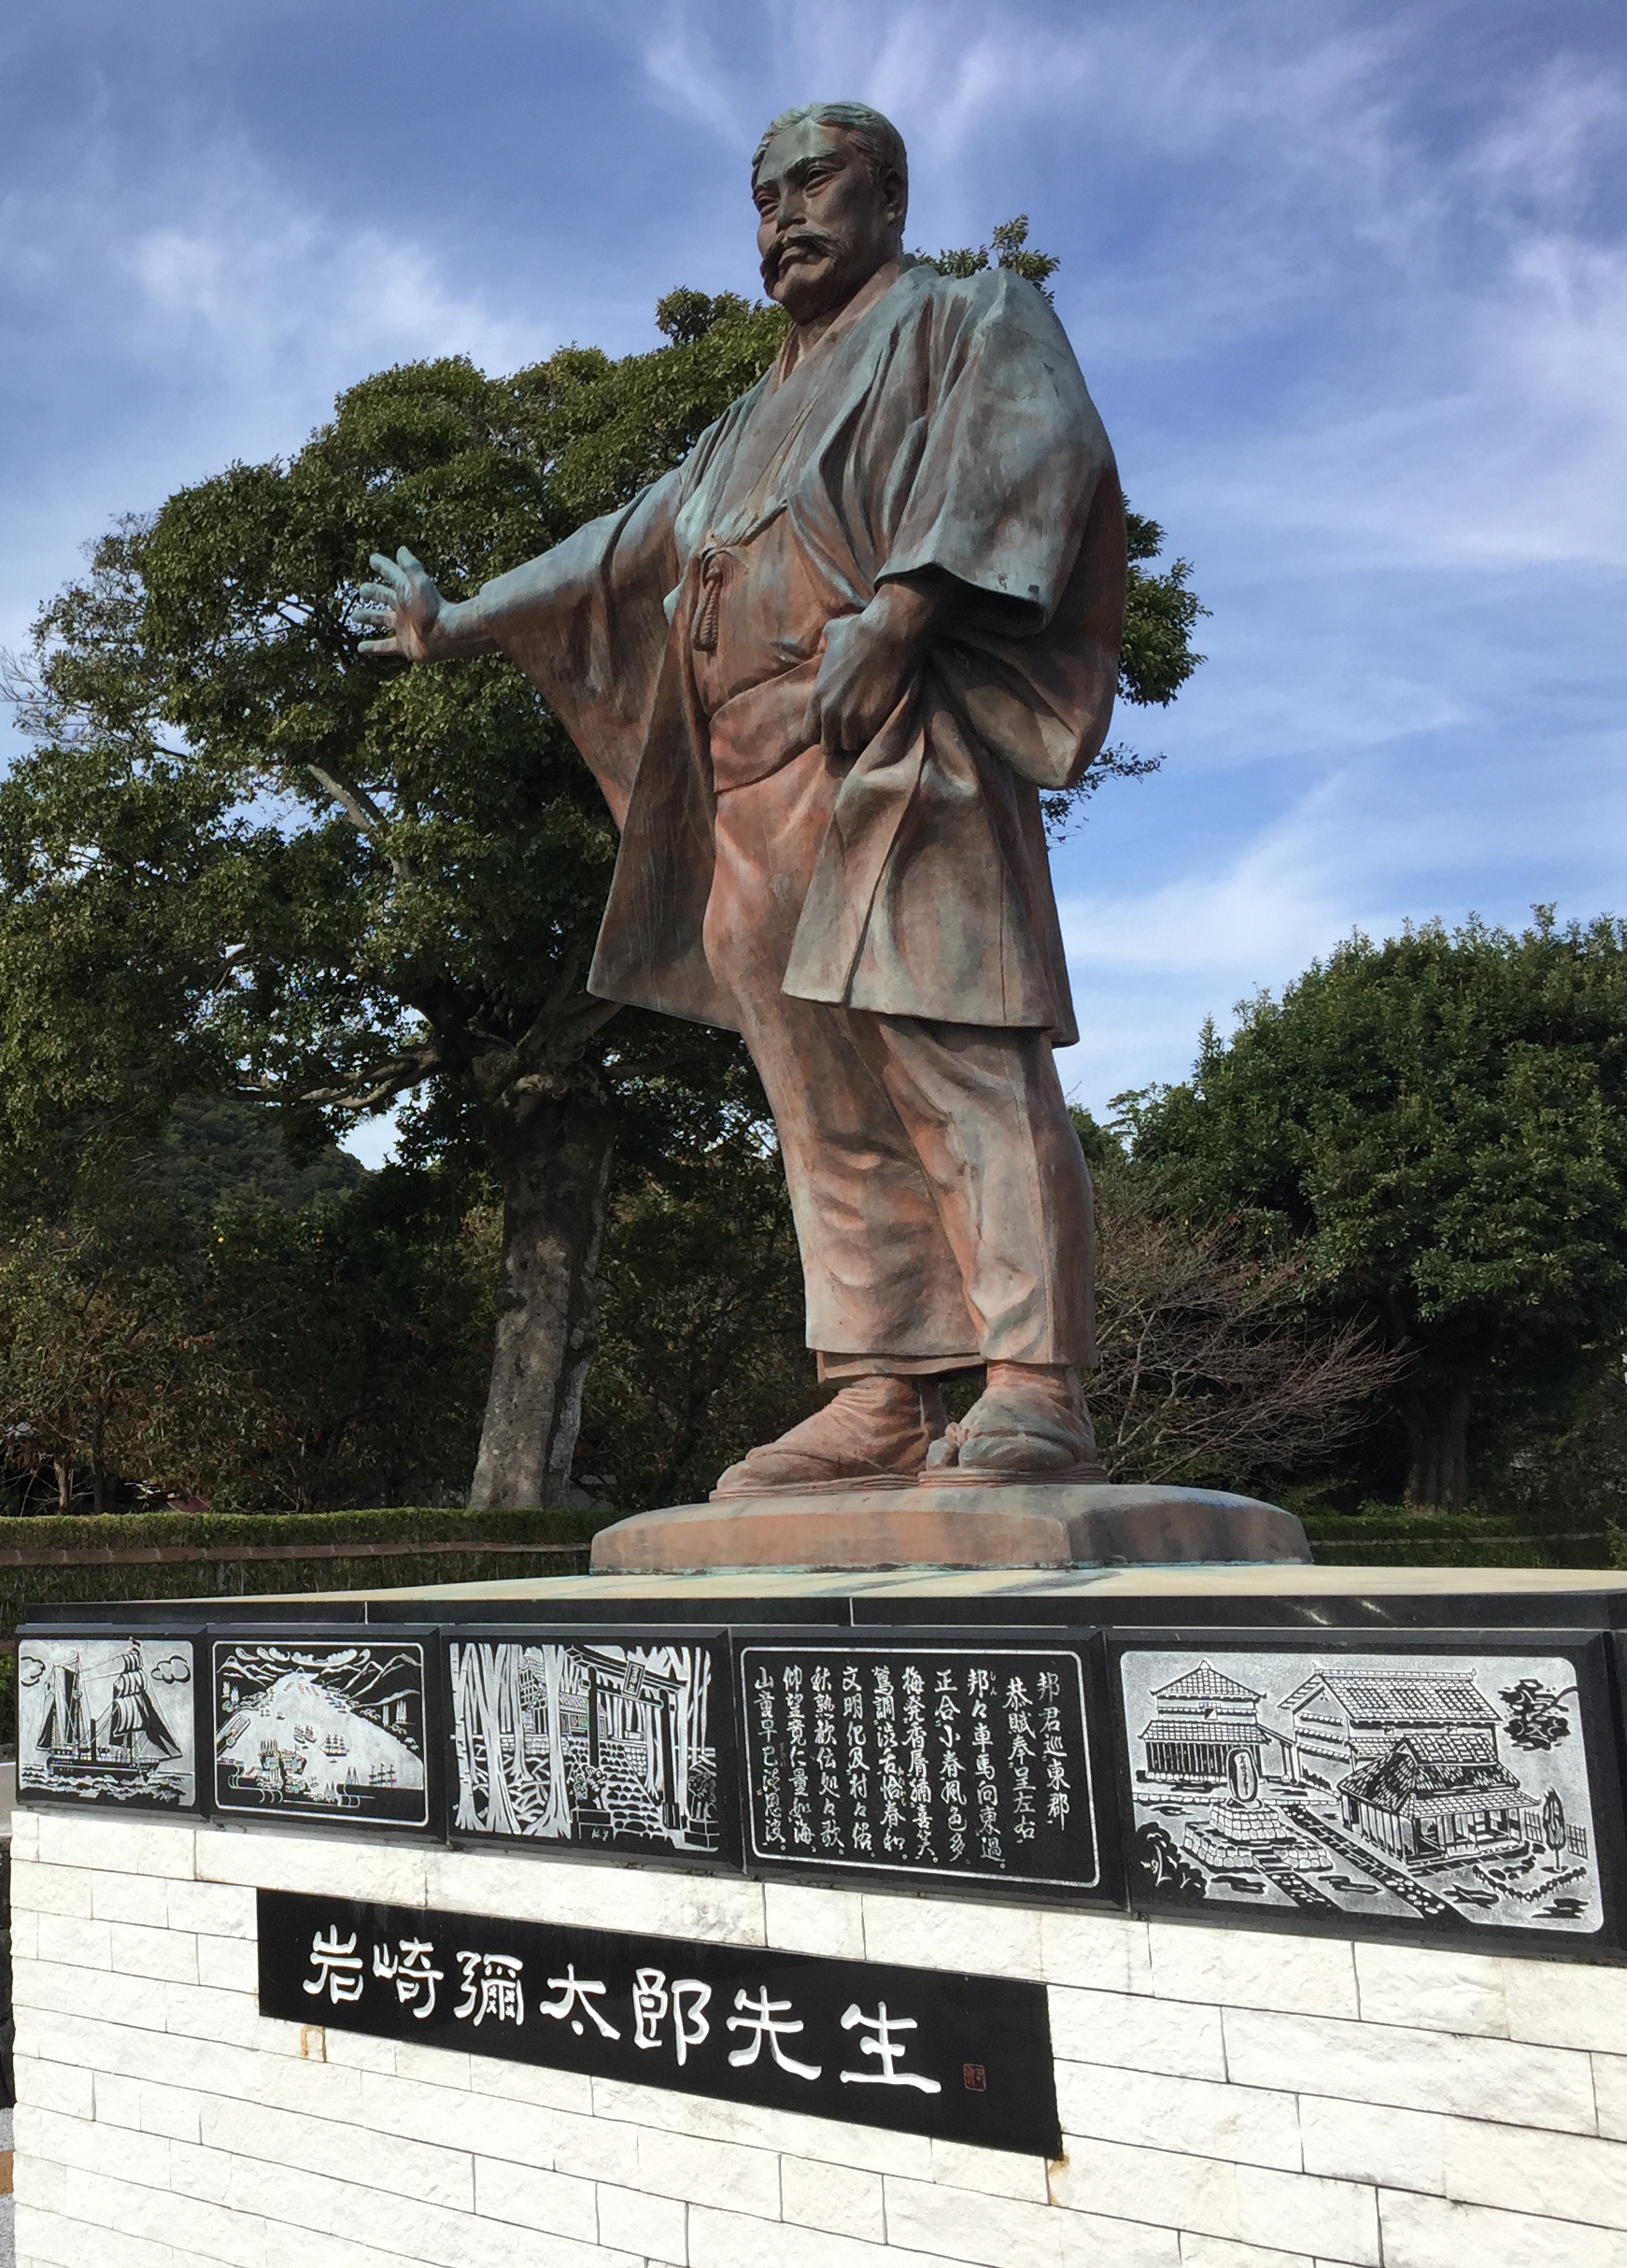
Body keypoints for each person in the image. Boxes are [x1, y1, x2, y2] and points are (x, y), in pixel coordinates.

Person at [362, 101, 1124, 1494]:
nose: (782, 213)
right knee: (821, 1103)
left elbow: (1036, 452)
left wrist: (903, 608)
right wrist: (460, 619)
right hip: (746, 794)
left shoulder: (965, 317)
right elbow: (621, 551)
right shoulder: (739, 424)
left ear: (887, 196)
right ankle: (879, 1387)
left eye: (814, 181)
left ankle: (1034, 1382)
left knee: (964, 1060)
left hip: (896, 760)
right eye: (763, 194)